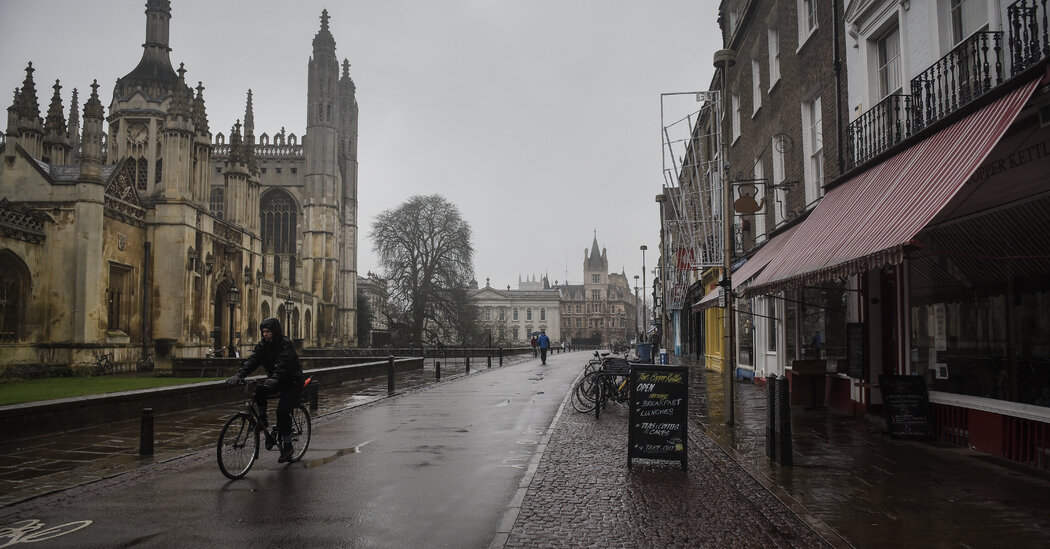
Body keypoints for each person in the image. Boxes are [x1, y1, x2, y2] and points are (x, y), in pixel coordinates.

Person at [226, 317, 304, 463]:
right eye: (263, 332)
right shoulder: (263, 345)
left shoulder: (285, 344)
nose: (265, 334)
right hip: (276, 380)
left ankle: (288, 447)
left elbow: (282, 364)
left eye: (268, 332)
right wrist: (239, 374)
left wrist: (274, 378)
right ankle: (262, 420)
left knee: (282, 412)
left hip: (292, 382)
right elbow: (252, 361)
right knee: (259, 391)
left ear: (275, 331)